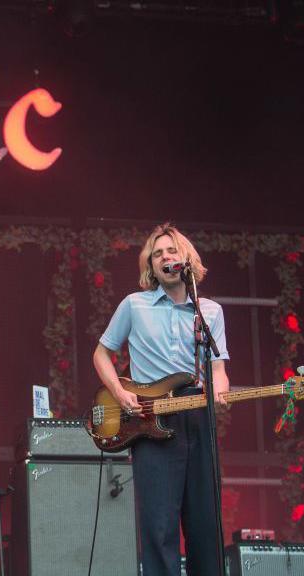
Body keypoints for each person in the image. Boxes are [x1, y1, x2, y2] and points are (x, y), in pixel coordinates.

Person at [92, 223, 230, 576]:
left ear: (186, 259)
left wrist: (220, 387)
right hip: (149, 420)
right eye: (157, 254)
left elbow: (218, 368)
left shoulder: (209, 311)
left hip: (197, 418)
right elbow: (101, 354)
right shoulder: (134, 306)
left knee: (205, 525)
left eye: (171, 251)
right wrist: (121, 393)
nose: (165, 257)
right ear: (151, 267)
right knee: (158, 529)